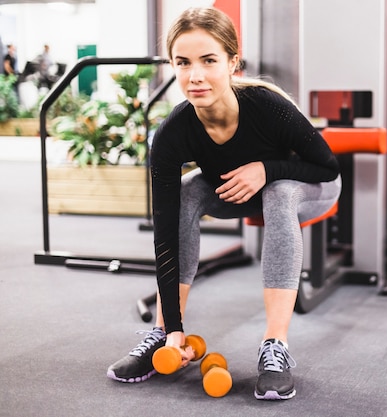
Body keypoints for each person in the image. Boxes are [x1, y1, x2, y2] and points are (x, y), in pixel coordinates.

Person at [106, 7, 341, 401]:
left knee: (278, 192)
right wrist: (176, 326)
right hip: (236, 192)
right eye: (183, 63)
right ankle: (165, 335)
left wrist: (267, 169)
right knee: (186, 192)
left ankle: (276, 347)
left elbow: (326, 166)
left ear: (233, 62)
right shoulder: (172, 135)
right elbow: (164, 234)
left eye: (208, 61)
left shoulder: (266, 105)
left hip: (308, 188)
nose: (195, 75)